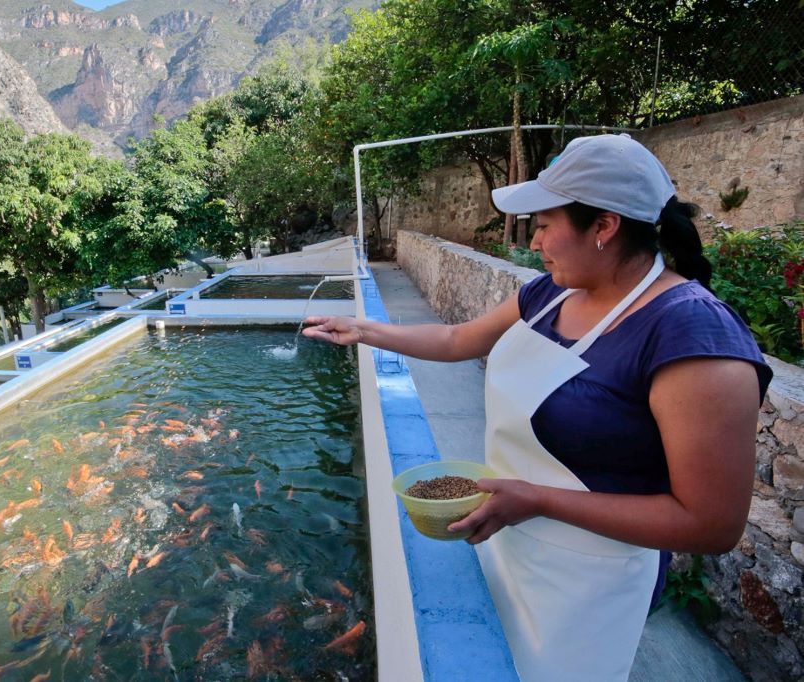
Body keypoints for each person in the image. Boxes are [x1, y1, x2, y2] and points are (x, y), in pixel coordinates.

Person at [302, 134, 772, 682]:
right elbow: (457, 340)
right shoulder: (552, 292)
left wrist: (539, 500)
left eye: (546, 224)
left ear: (603, 226)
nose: (534, 240)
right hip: (511, 540)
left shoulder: (691, 334)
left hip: (590, 581)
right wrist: (364, 329)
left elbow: (711, 524)